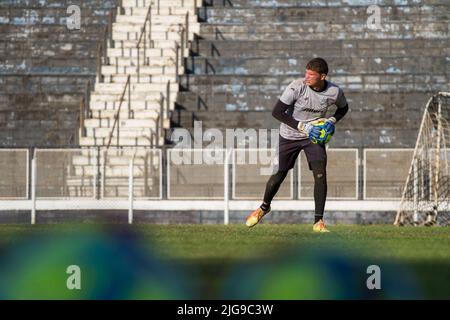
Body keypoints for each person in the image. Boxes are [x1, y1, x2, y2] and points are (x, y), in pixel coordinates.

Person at [245, 57, 349, 232]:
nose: (306, 77)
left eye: (311, 74)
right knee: (279, 174)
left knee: (320, 174)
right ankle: (264, 207)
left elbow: (344, 108)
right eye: (306, 73)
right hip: (290, 135)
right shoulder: (296, 87)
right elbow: (277, 112)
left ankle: (318, 221)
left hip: (313, 138)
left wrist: (332, 120)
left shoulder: (334, 92)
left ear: (322, 76)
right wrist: (302, 126)